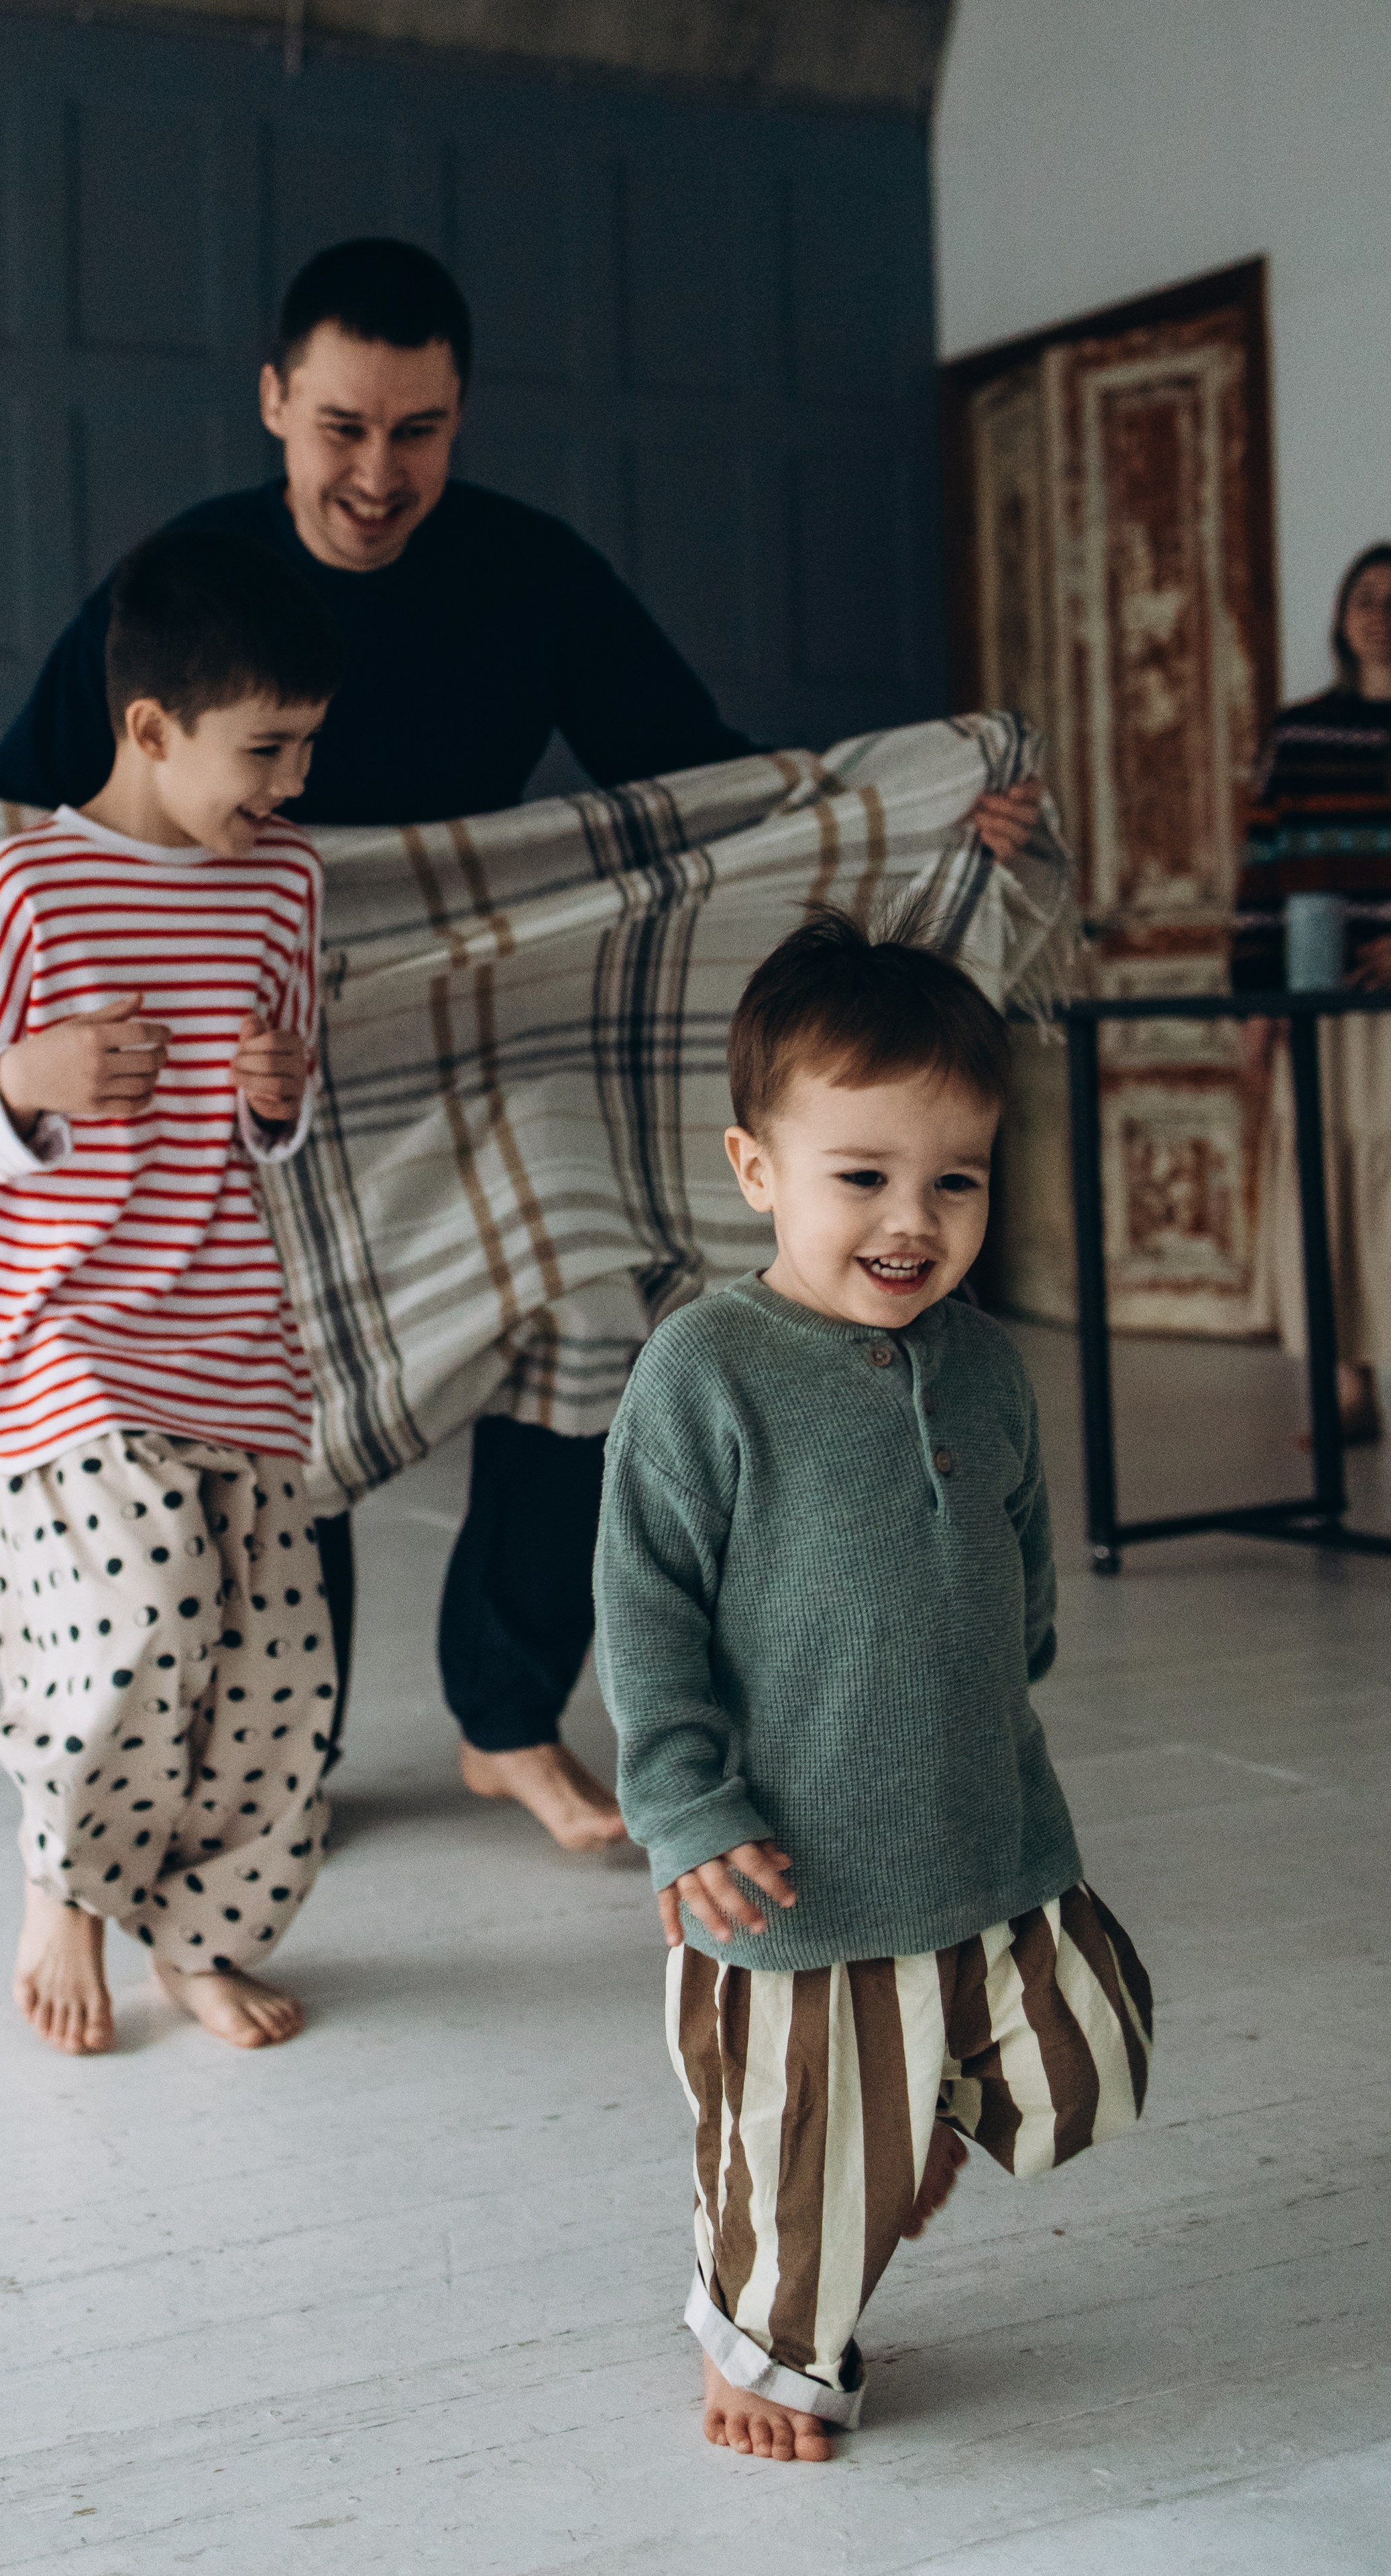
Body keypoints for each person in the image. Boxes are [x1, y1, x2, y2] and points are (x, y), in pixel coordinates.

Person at [0, 235, 1047, 1855]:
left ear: (459, 417)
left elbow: (713, 791)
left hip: (476, 1021)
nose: (376, 471)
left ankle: (502, 1716)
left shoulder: (529, 569)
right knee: (295, 1397)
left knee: (590, 1313)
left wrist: (926, 813)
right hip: (252, 1038)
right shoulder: (186, 588)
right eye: (341, 426)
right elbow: (14, 804)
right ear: (274, 404)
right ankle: (291, 1748)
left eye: (418, 430)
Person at [594, 911, 1152, 2461]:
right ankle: (760, 2348)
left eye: (953, 1180)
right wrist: (683, 1810)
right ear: (754, 1167)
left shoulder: (979, 1359)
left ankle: (918, 2114)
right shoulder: (706, 1371)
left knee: (1088, 2062)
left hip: (985, 1826)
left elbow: (1020, 1543)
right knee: (797, 2160)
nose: (913, 1219)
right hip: (788, 1872)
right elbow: (642, 1616)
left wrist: (1011, 1653)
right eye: (862, 1178)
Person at [0, 525, 345, 2057]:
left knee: (276, 1679)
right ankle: (65, 1885)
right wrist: (29, 1079)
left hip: (228, 1335)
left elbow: (279, 1121)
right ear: (150, 731)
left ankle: (204, 1932)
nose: (290, 784)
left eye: (307, 745)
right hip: (54, 1340)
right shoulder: (27, 885)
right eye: (264, 749)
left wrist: (280, 1090)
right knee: (138, 1621)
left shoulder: (284, 881)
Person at [1237, 543, 1391, 1441]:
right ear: (1340, 618)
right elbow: (1262, 867)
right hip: (1315, 1000)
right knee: (1324, 1180)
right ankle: (1347, 1386)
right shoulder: (1297, 735)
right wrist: (1257, 1000)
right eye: (1364, 597)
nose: (1379, 613)